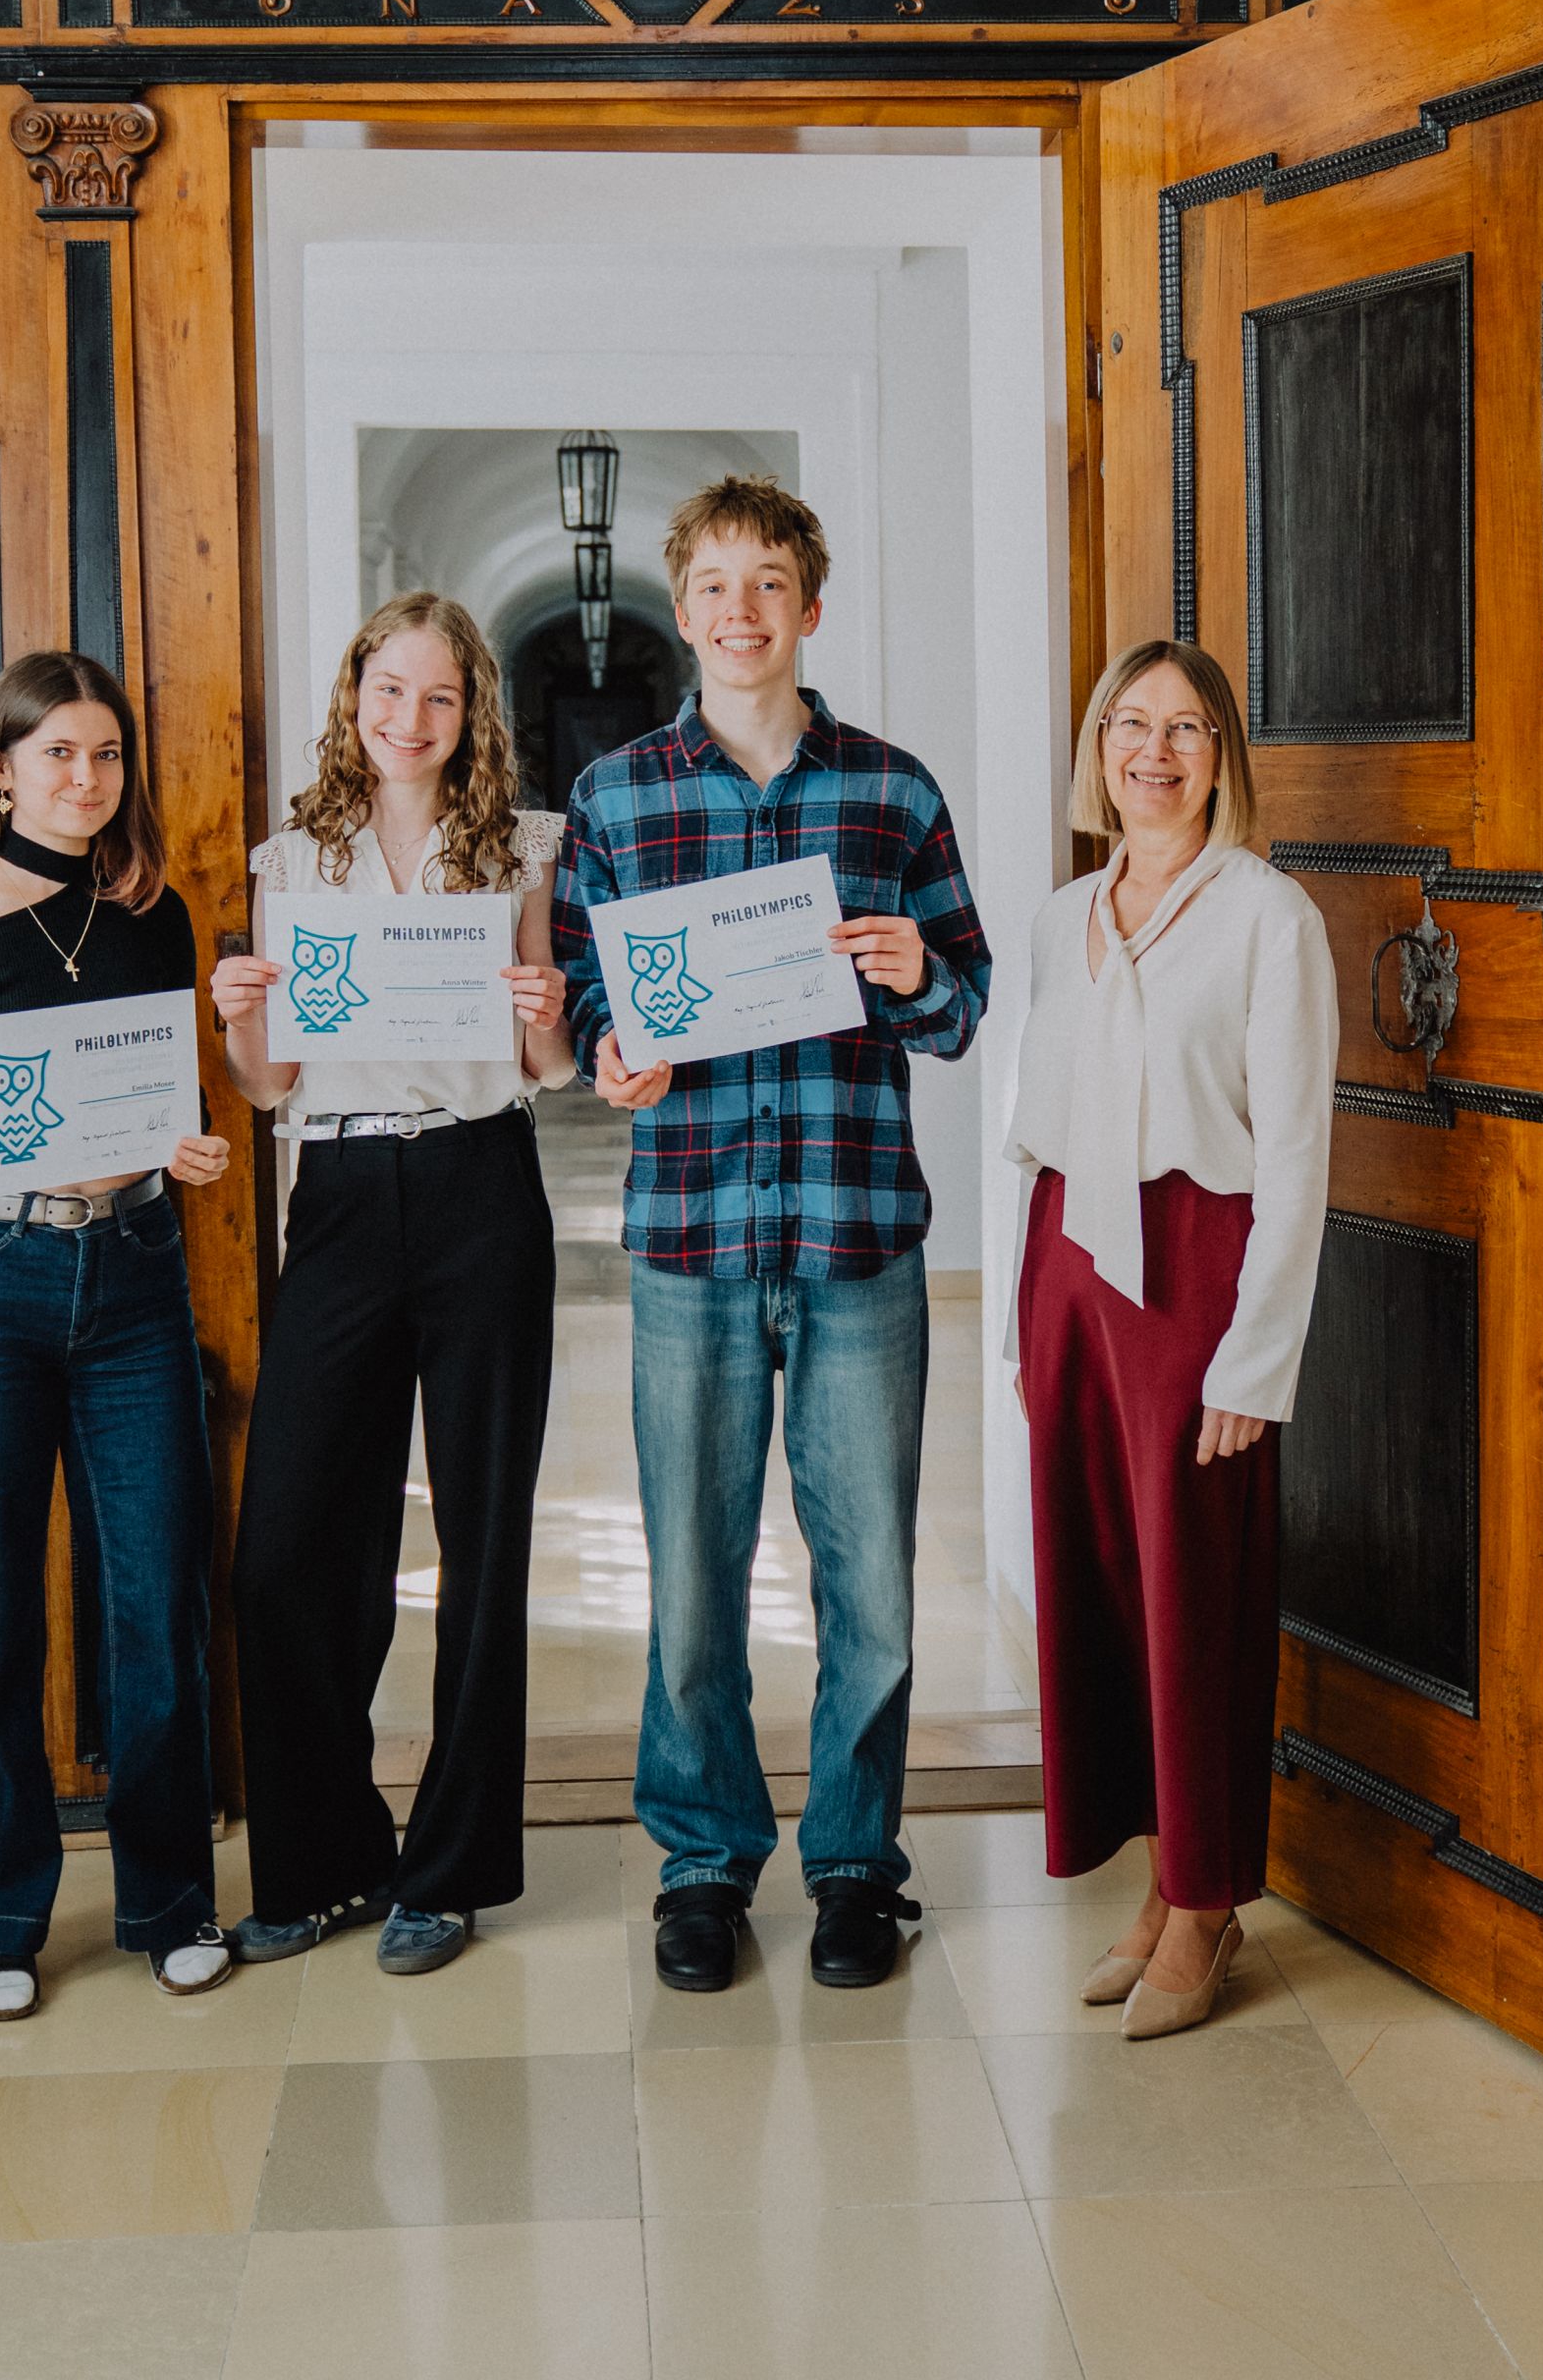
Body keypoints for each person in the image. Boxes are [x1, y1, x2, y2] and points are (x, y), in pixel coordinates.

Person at [553, 477, 991, 1993]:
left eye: (769, 584)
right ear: (682, 610)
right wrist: (611, 1052)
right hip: (692, 1239)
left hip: (859, 1235)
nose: (741, 611)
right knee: (692, 1578)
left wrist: (918, 970)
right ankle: (704, 1862)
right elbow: (586, 995)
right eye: (715, 586)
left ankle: (856, 1863)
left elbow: (963, 1004)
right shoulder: (617, 798)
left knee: (871, 1585)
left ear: (811, 603)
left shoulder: (894, 793)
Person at [0, 650, 234, 2020]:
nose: (87, 777)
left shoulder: (153, 915)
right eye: (59, 752)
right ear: (4, 768)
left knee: (159, 1606)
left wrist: (190, 1148)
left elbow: (170, 1095)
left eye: (108, 754)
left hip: (133, 1272)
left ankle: (172, 1905)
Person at [212, 591, 574, 1977]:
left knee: (483, 1541)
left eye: (438, 696)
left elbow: (543, 1069)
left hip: (483, 1186)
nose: (409, 718)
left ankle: (452, 1871)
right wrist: (242, 1022)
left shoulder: (523, 847)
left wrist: (547, 1018)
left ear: (471, 713)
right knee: (288, 1548)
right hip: (344, 1194)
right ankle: (324, 1863)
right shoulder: (294, 856)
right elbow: (271, 1084)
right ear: (352, 697)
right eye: (387, 690)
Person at [1007, 639, 1338, 2037]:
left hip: (1197, 1271)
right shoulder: (1062, 915)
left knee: (1195, 1593)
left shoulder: (1270, 918)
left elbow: (1298, 1155)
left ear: (1221, 760)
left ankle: (1208, 1905)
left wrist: (1255, 1357)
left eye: (1187, 728)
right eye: (1132, 724)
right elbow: (1038, 1118)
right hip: (1071, 1267)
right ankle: (1159, 1881)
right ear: (1100, 749)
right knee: (1100, 1586)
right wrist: (1025, 1321)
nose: (1156, 750)